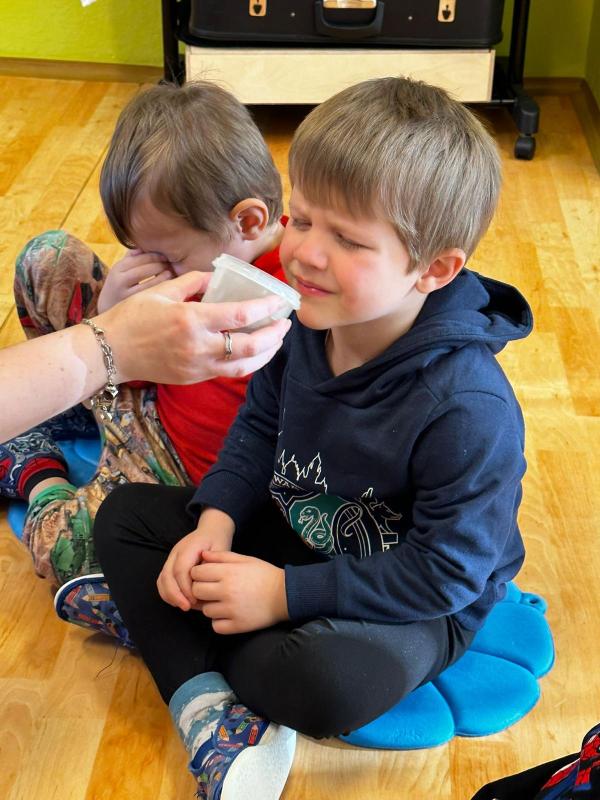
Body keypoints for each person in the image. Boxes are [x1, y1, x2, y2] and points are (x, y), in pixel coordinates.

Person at [94, 76, 532, 800]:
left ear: (434, 269)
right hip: (300, 533)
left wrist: (283, 594)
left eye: (348, 239)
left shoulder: (468, 408)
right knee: (124, 518)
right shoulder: (307, 318)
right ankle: (208, 707)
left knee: (323, 684)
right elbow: (256, 428)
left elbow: (444, 575)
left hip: (409, 596)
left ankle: (175, 639)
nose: (305, 255)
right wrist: (215, 523)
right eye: (300, 220)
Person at [0, 80, 289, 603]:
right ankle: (58, 410)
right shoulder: (214, 248)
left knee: (60, 549)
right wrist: (110, 313)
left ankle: (35, 465)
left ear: (249, 221)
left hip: (170, 458)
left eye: (169, 257)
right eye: (139, 252)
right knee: (48, 257)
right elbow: (127, 351)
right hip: (136, 382)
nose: (153, 268)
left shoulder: (283, 306)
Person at [0, 272, 290, 443]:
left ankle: (39, 470)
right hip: (134, 402)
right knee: (45, 256)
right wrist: (109, 314)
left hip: (162, 443)